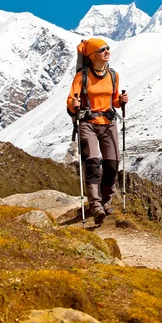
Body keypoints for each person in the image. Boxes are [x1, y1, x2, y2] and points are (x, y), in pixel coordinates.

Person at [67, 38, 128, 225]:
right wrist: (74, 104)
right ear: (93, 56)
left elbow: (114, 100)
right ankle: (95, 205)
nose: (107, 51)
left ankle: (104, 200)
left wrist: (122, 100)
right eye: (102, 49)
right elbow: (71, 101)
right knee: (92, 164)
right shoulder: (81, 77)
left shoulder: (113, 75)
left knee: (112, 164)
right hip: (88, 123)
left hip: (108, 122)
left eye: (108, 48)